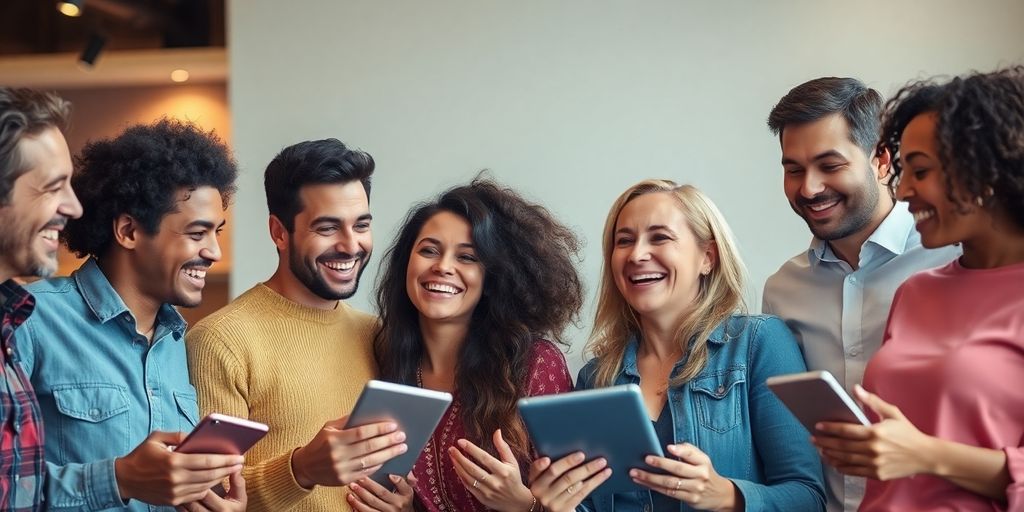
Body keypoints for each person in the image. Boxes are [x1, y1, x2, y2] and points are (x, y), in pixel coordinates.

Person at [529, 180, 825, 512]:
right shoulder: (596, 378)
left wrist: (726, 496)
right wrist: (554, 505)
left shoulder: (758, 343)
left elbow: (808, 497)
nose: (637, 254)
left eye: (660, 238)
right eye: (624, 241)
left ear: (707, 258)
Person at [813, 67, 1024, 511]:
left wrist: (925, 455)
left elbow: (912, 449)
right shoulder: (917, 292)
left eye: (921, 171)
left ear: (987, 169)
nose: (904, 190)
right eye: (904, 169)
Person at [14, 119, 246, 511]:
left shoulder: (180, 344)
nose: (214, 252)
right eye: (196, 233)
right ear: (129, 231)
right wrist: (118, 479)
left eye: (217, 233)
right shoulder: (29, 319)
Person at [763, 77, 959, 510]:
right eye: (793, 169)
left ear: (881, 160)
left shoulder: (952, 257)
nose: (809, 188)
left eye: (829, 165)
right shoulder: (782, 290)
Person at [186, 139, 410, 512]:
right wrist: (301, 469)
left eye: (361, 225)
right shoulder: (220, 341)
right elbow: (210, 499)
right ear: (279, 232)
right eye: (327, 228)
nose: (350, 245)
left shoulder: (378, 335)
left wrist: (403, 504)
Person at [368, 178, 580, 512]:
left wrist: (524, 505)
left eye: (467, 257)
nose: (443, 266)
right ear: (405, 263)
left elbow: (576, 501)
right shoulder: (385, 362)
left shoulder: (535, 365)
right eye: (429, 250)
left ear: (492, 277)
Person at [0, 87, 82, 511]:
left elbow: (16, 487)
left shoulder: (12, 322)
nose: (75, 206)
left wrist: (124, 476)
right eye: (54, 187)